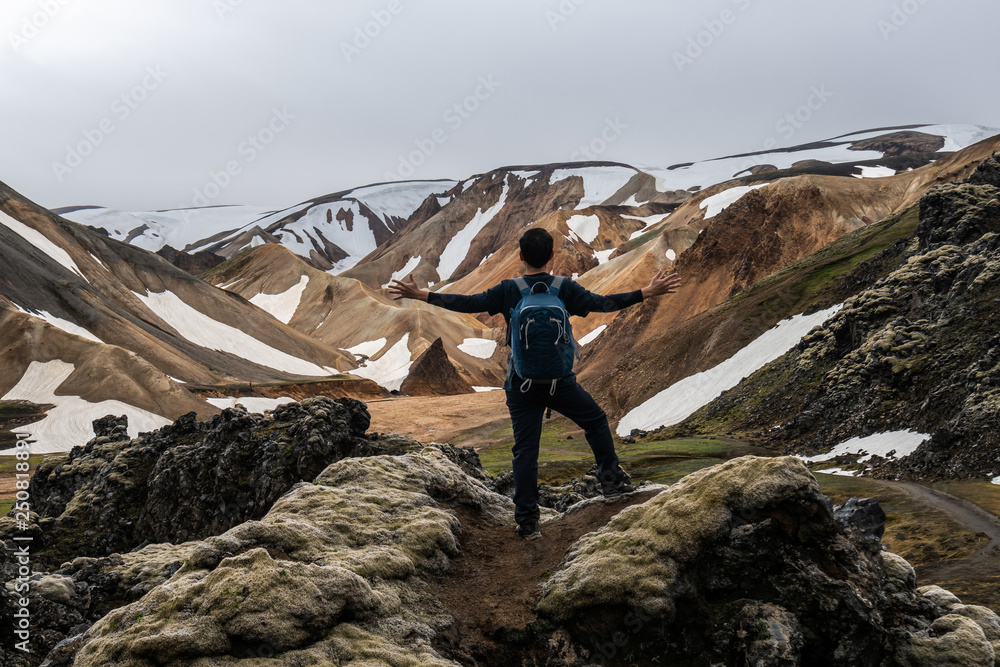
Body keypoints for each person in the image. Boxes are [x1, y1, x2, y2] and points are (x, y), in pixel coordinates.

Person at [388, 228, 681, 540]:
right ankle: (612, 483)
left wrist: (422, 295)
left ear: (520, 256)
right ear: (552, 256)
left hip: (521, 385)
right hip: (561, 383)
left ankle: (528, 523)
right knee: (595, 420)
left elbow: (468, 303)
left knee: (526, 450)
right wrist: (646, 292)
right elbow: (602, 303)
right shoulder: (564, 287)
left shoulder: (508, 290)